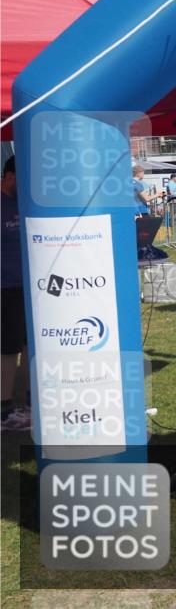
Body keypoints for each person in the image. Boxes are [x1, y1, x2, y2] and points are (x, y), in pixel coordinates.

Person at [1, 157, 30, 432]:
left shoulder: (23, 202)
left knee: (29, 346)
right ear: (9, 176)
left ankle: (31, 403)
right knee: (8, 350)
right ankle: (4, 410)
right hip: (5, 288)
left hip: (29, 287)